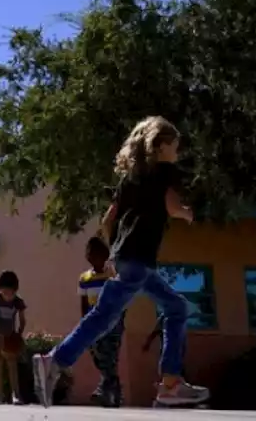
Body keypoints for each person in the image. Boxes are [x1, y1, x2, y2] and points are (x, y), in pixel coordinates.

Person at [34, 116, 209, 408]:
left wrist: (116, 251)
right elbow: (171, 206)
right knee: (105, 317)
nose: (177, 153)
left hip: (130, 259)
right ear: (161, 146)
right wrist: (187, 213)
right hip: (139, 259)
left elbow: (107, 219)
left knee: (172, 307)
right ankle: (55, 360)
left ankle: (169, 383)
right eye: (175, 147)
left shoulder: (130, 177)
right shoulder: (164, 171)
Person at [79, 237, 123, 407]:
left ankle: (104, 389)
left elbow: (121, 298)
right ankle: (114, 387)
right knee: (98, 356)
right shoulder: (84, 278)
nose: (94, 259)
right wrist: (84, 323)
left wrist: (120, 318)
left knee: (109, 355)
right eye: (91, 255)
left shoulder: (112, 276)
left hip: (112, 321)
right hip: (93, 322)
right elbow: (83, 303)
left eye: (98, 255)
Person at [0, 270, 27, 405]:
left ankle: (15, 394)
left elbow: (22, 320)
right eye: (5, 292)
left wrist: (18, 334)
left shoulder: (18, 302)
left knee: (11, 361)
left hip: (10, 334)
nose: (8, 296)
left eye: (10, 293)